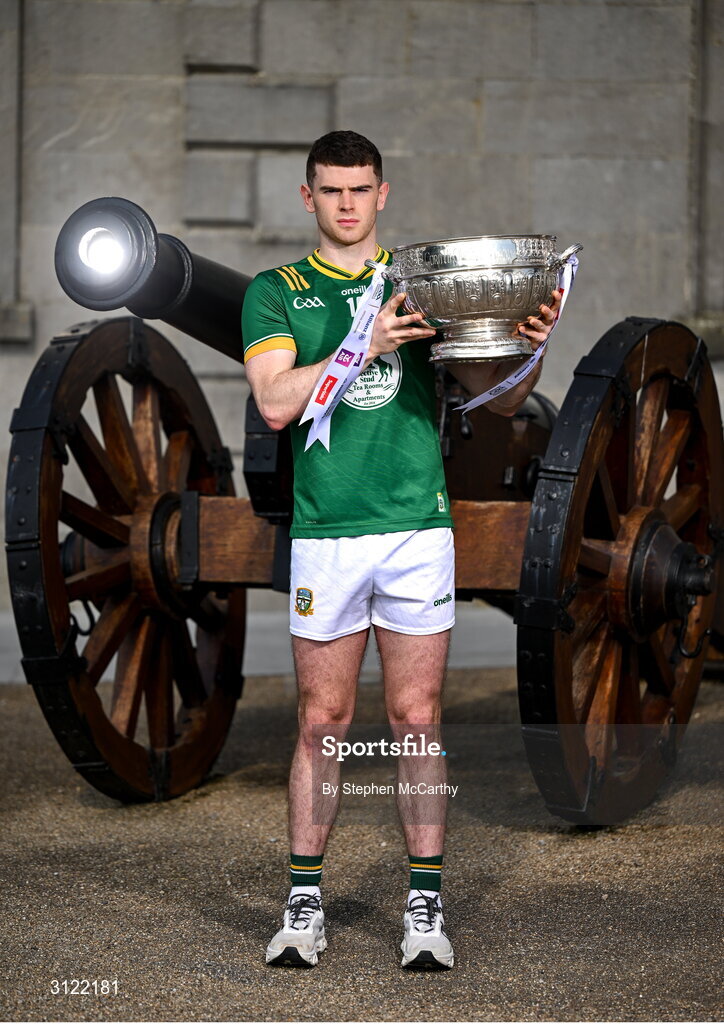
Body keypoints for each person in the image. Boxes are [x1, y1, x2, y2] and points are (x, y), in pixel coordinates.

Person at [241, 130, 561, 970]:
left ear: (383, 195)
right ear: (307, 198)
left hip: (417, 529)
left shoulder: (419, 286)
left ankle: (426, 908)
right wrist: (364, 344)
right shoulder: (277, 294)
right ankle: (303, 904)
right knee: (324, 723)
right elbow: (275, 403)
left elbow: (500, 401)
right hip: (327, 535)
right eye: (331, 190)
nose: (347, 204)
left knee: (417, 720)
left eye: (361, 189)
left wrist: (528, 342)